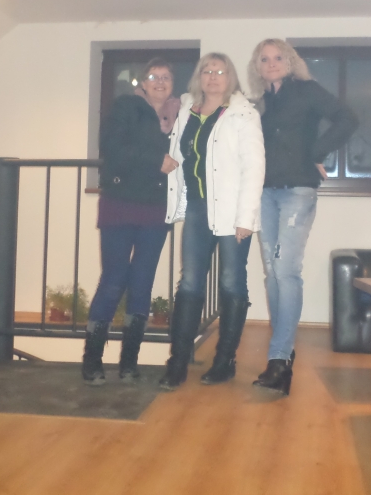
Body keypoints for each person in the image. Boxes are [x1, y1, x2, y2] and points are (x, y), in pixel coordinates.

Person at [247, 39, 358, 395]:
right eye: (264, 59)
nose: (272, 63)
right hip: (264, 192)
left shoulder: (308, 91)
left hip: (297, 190)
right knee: (272, 272)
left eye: (278, 57)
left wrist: (317, 151)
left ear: (291, 61)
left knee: (286, 270)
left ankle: (278, 357)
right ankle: (283, 356)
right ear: (257, 67)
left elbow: (348, 119)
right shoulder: (258, 104)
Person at [158, 53, 265, 390]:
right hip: (197, 208)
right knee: (190, 283)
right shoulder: (187, 110)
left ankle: (224, 361)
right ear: (199, 76)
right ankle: (177, 362)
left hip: (233, 212)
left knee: (232, 283)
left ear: (230, 77)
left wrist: (246, 218)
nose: (213, 76)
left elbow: (254, 168)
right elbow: (180, 154)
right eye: (207, 71)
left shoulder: (243, 114)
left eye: (220, 71)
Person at [82, 57, 180, 384]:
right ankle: (92, 361)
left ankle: (129, 364)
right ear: (142, 83)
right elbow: (111, 147)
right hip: (120, 204)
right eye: (154, 76)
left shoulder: (179, 116)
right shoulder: (126, 106)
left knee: (142, 282)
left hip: (156, 208)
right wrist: (155, 160)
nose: (160, 82)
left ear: (172, 85)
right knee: (113, 280)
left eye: (166, 77)